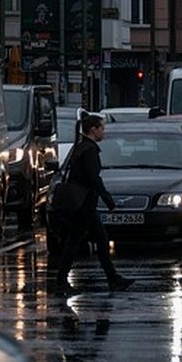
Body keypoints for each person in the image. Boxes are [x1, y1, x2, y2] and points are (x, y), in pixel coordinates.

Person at [53, 112, 134, 296]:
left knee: (99, 240)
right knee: (76, 242)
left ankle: (113, 278)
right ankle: (62, 280)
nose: (103, 132)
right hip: (84, 204)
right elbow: (93, 178)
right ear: (93, 129)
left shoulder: (81, 147)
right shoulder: (89, 150)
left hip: (83, 202)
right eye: (101, 128)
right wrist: (108, 200)